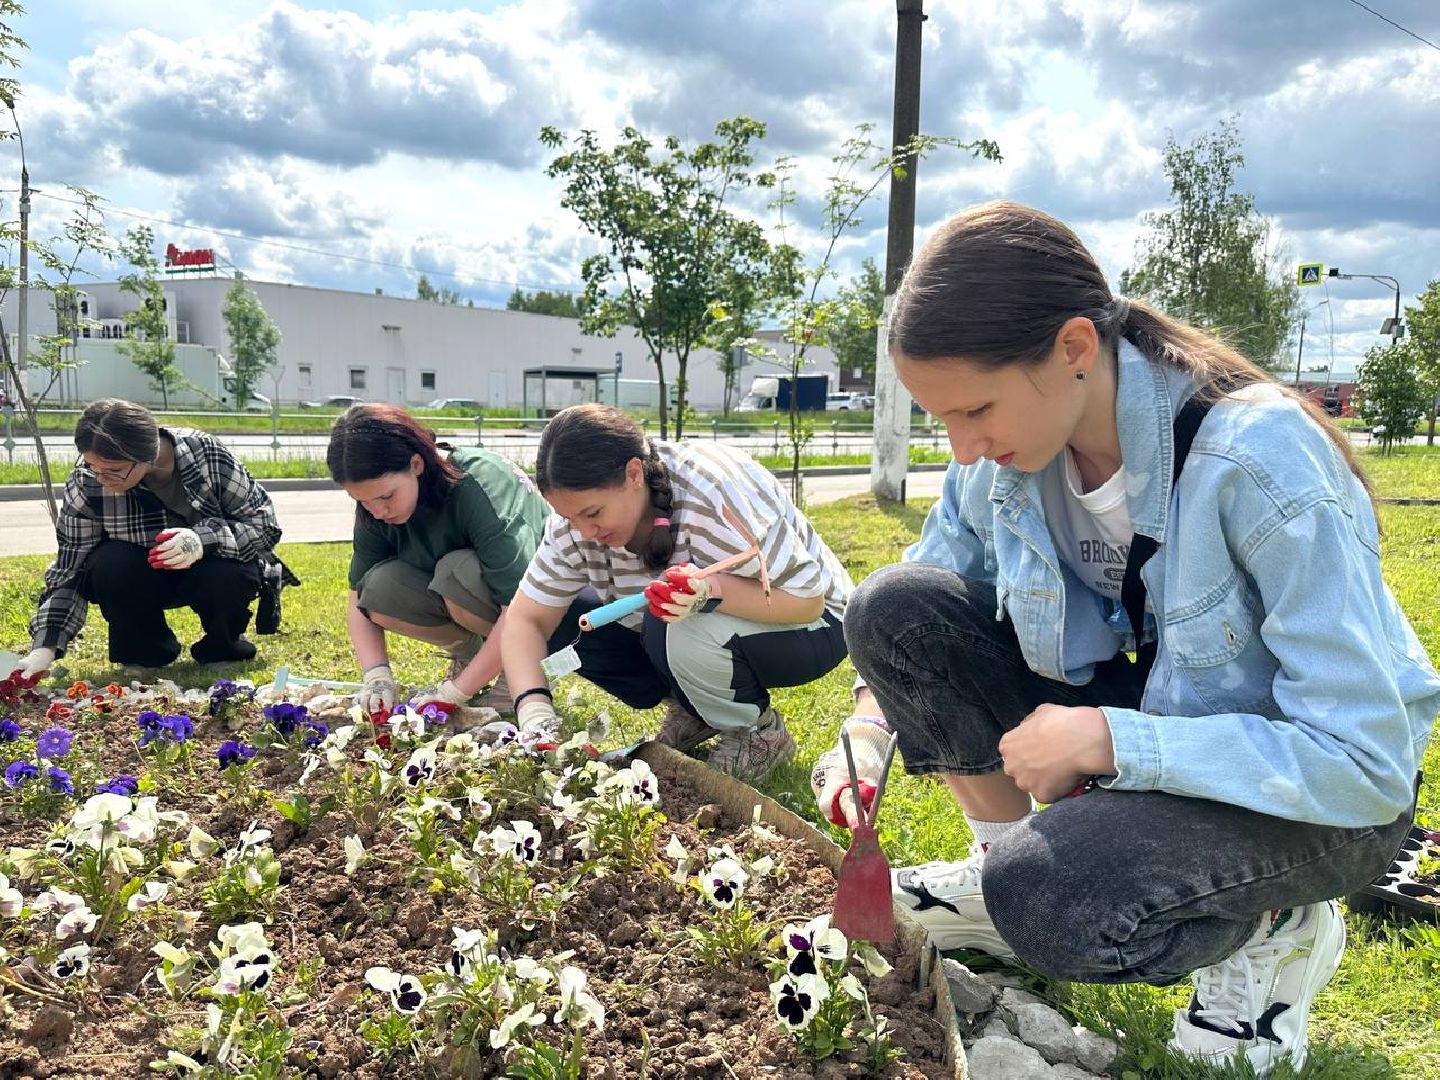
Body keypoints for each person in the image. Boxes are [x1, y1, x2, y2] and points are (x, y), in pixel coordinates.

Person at [809, 202, 1439, 1076]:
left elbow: (1364, 763)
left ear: (1074, 347)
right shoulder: (1006, 458)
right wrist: (866, 731)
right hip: (1157, 721)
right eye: (940, 418)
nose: (963, 446)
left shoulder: (1258, 457)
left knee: (1055, 900)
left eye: (976, 408)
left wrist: (1112, 739)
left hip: (1315, 797)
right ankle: (997, 874)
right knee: (892, 607)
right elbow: (923, 601)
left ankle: (1278, 923)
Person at [501, 403, 852, 781]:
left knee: (670, 616)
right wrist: (534, 712)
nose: (584, 532)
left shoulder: (712, 495)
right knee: (567, 616)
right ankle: (696, 708)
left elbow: (806, 601)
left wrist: (709, 591)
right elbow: (525, 620)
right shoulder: (574, 527)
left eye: (593, 514)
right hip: (692, 630)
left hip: (816, 624)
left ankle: (758, 733)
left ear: (634, 474)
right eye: (569, 518)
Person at [13, 398, 282, 678]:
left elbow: (264, 526)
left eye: (114, 470)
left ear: (147, 455)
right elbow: (71, 567)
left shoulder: (205, 453)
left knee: (226, 573)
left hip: (211, 570)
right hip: (141, 577)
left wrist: (202, 540)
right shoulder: (87, 481)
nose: (102, 478)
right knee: (109, 561)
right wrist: (45, 647)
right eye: (92, 466)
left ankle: (223, 648)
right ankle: (145, 653)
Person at [326, 404, 549, 716]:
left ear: (416, 464)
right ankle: (472, 658)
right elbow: (358, 601)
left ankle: (519, 668)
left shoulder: (478, 483)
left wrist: (455, 693)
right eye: (362, 501)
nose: (378, 512)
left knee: (454, 573)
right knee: (376, 588)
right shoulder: (375, 508)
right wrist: (376, 676)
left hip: (542, 608)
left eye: (387, 496)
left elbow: (518, 607)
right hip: (486, 606)